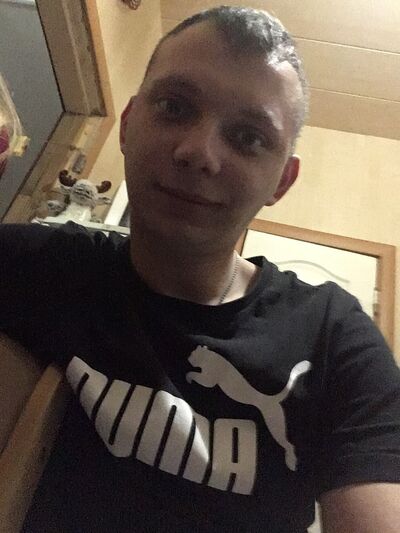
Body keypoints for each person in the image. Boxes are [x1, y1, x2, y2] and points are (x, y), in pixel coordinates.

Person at [0, 6, 399, 532]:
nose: (198, 152)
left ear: (281, 181)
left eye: (249, 137)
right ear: (127, 125)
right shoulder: (44, 266)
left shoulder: (334, 339)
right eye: (174, 107)